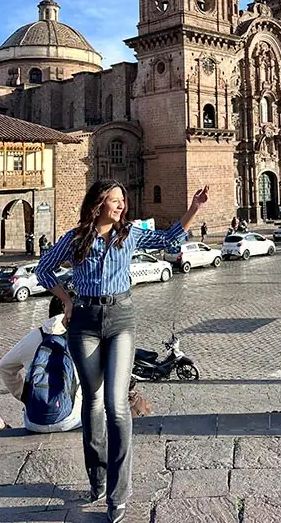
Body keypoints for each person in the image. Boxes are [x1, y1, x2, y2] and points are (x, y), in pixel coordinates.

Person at [36, 179, 208, 523]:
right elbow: (43, 270)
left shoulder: (129, 234)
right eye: (114, 201)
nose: (120, 206)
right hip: (83, 321)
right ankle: (96, 476)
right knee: (94, 401)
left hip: (121, 319)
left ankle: (118, 494)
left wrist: (194, 208)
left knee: (116, 406)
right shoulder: (75, 238)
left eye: (122, 201)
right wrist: (67, 300)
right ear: (98, 203)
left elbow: (168, 239)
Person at [0, 294, 82, 433]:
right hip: (70, 420)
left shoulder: (33, 337)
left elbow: (4, 367)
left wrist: (24, 395)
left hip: (34, 421)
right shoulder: (79, 337)